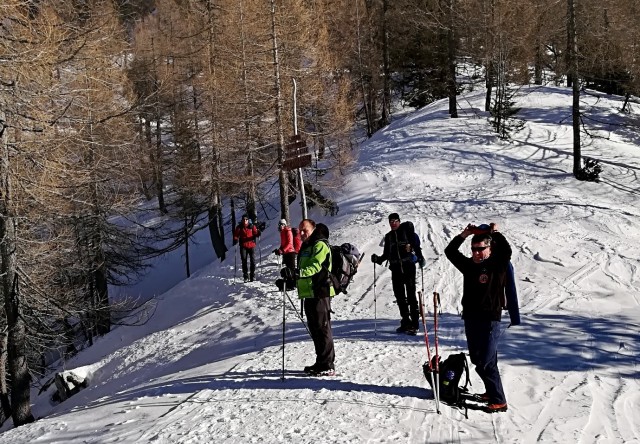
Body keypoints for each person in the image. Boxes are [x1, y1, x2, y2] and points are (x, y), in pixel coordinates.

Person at [444, 222, 511, 413]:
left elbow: (506, 250)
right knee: (477, 359)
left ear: (489, 249)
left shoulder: (497, 264)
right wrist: (464, 234)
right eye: (473, 249)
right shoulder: (469, 266)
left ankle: (500, 401)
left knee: (486, 360)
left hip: (490, 319)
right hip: (471, 318)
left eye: (480, 249)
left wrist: (494, 232)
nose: (476, 253)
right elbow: (450, 251)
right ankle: (491, 392)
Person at [281, 219, 336, 376]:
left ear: (313, 229)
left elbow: (314, 267)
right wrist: (289, 279)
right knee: (315, 329)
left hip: (320, 292)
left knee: (323, 329)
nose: (302, 233)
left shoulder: (320, 245)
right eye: (300, 230)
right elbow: (303, 269)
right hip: (308, 293)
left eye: (305, 230)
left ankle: (328, 365)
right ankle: (321, 362)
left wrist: (296, 273)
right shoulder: (306, 246)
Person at [371, 213, 425, 335]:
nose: (393, 223)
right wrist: (377, 259)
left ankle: (415, 324)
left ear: (399, 221)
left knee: (411, 295)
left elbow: (417, 247)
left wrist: (420, 258)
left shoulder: (407, 233)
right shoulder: (389, 237)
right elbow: (385, 255)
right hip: (395, 269)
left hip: (408, 267)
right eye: (391, 221)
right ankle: (406, 321)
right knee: (400, 297)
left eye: (395, 221)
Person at [233, 214, 261, 282]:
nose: (245, 220)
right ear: (242, 220)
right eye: (244, 219)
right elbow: (236, 235)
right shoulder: (239, 227)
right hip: (243, 246)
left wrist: (258, 233)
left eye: (246, 219)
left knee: (253, 261)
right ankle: (245, 276)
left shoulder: (252, 226)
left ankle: (252, 275)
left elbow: (256, 233)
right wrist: (235, 239)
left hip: (251, 246)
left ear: (248, 220)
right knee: (244, 261)